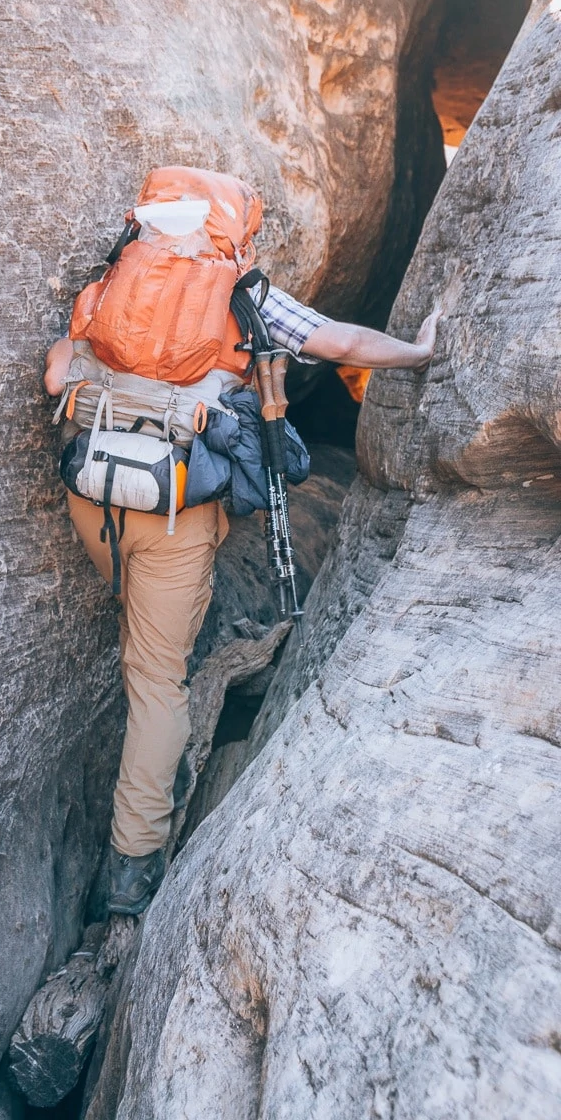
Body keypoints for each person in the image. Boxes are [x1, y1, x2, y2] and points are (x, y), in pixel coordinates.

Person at [45, 267, 443, 916]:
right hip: (175, 507)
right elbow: (339, 343)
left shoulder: (118, 281)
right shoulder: (241, 293)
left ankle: (141, 617)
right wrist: (418, 353)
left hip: (93, 494)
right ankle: (128, 873)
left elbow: (55, 376)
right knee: (158, 677)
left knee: (139, 622)